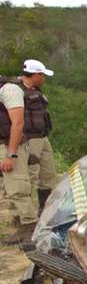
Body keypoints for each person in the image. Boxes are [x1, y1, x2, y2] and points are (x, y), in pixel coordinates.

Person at [0, 59, 57, 245]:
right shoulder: (15, 90)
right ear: (35, 74)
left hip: (38, 138)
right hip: (26, 140)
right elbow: (17, 122)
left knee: (46, 178)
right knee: (24, 181)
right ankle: (25, 222)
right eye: (42, 75)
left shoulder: (23, 91)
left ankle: (42, 215)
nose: (44, 79)